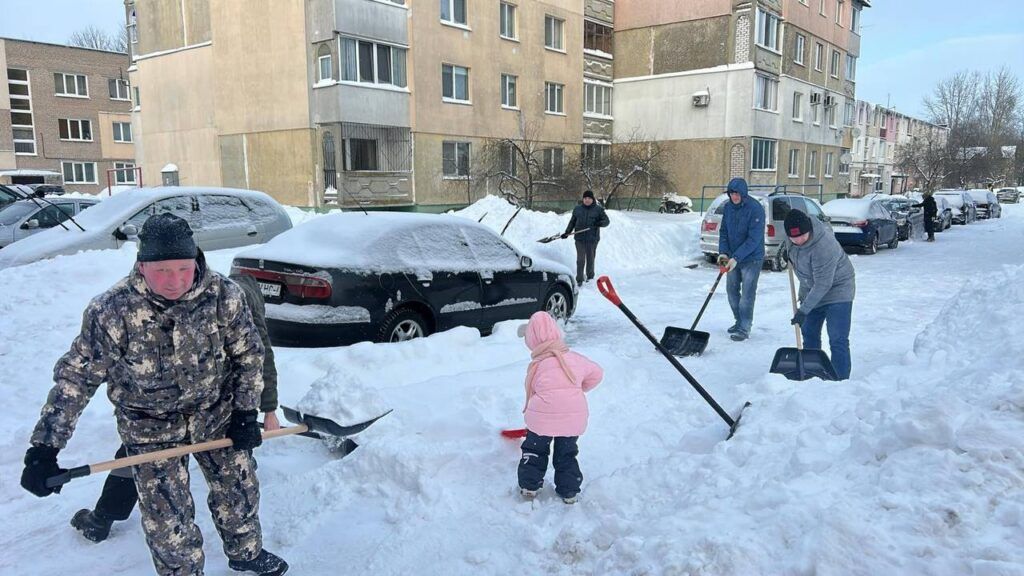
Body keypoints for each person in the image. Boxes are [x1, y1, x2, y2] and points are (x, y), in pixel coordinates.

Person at [19, 213, 288, 576]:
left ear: (195, 260)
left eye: (183, 268)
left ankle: (247, 552)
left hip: (216, 414)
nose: (174, 281)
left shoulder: (224, 295)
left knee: (238, 490)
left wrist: (244, 413)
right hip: (149, 426)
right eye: (162, 270)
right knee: (167, 522)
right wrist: (44, 449)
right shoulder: (112, 310)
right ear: (142, 266)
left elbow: (249, 356)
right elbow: (76, 379)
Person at [69, 272, 282, 545]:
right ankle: (104, 516)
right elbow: (264, 357)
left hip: (201, 403)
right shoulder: (226, 301)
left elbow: (255, 360)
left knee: (147, 457)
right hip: (182, 405)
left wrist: (262, 411)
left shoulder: (227, 299)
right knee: (145, 459)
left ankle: (103, 517)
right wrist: (268, 412)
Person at [517, 311, 603, 504]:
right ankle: (569, 491)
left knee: (535, 450)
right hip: (572, 419)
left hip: (542, 419)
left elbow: (531, 391)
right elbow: (597, 373)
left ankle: (529, 487)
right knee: (567, 453)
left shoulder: (538, 364)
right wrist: (578, 388)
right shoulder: (576, 358)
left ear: (532, 340)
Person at [783, 209, 856, 380]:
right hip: (812, 289)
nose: (798, 241)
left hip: (838, 290)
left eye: (801, 236)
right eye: (793, 238)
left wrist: (803, 311)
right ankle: (813, 371)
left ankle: (840, 379)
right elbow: (805, 275)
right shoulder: (792, 240)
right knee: (809, 333)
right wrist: (803, 298)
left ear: (809, 229)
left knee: (837, 338)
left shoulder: (824, 245)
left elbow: (823, 284)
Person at [716, 177, 765, 341]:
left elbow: (754, 239)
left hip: (751, 258)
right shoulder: (728, 207)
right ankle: (738, 321)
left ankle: (744, 327)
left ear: (743, 194)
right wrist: (723, 253)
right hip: (731, 257)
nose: (734, 197)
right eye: (731, 193)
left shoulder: (755, 209)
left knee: (747, 295)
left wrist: (736, 257)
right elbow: (723, 231)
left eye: (737, 194)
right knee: (731, 292)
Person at [562, 190, 610, 285]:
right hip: (579, 238)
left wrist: (598, 223)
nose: (587, 200)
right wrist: (567, 232)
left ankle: (590, 278)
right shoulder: (577, 209)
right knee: (580, 260)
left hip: (592, 239)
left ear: (592, 199)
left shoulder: (598, 209)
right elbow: (572, 222)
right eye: (585, 198)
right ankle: (579, 279)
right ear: (583, 199)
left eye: (589, 198)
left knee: (590, 259)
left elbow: (607, 221)